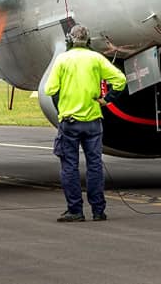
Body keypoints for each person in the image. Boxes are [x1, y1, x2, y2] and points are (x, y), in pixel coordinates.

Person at [44, 24, 127, 222]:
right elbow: (121, 79)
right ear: (88, 40)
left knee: (70, 166)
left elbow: (50, 89)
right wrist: (107, 99)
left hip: (70, 122)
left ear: (70, 40)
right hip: (93, 121)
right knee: (95, 165)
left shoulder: (63, 59)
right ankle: (98, 210)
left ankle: (75, 210)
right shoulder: (96, 58)